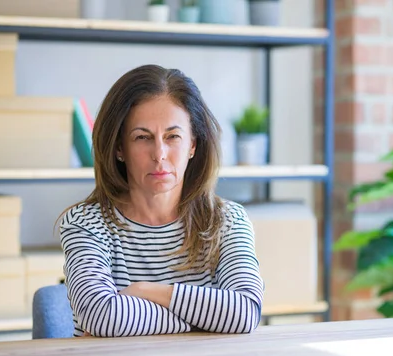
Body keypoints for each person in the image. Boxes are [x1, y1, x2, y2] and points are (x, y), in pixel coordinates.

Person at [58, 65, 264, 337]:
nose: (159, 154)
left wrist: (145, 291)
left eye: (173, 136)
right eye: (142, 137)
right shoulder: (85, 225)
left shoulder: (227, 221)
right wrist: (203, 321)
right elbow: (102, 317)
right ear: (119, 148)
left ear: (193, 144)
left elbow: (246, 312)